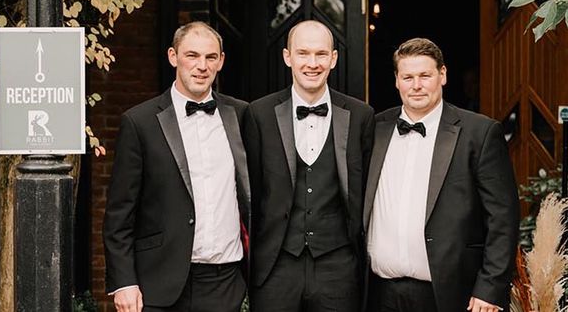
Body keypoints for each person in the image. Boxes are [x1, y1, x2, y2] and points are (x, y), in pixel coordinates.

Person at [103, 21, 251, 312]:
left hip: (225, 281)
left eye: (210, 57)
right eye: (192, 56)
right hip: (158, 282)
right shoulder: (140, 122)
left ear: (221, 61)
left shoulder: (242, 116)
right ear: (173, 57)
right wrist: (124, 282)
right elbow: (120, 211)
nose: (201, 66)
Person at [364, 37, 519, 312]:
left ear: (443, 75)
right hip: (378, 293)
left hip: (448, 295)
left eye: (425, 75)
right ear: (396, 80)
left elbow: (502, 218)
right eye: (407, 77)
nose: (416, 85)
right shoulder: (375, 128)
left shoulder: (479, 133)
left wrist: (490, 288)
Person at [247, 19, 375, 312]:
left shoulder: (361, 116)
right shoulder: (259, 114)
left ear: (333, 59)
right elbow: (250, 191)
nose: (312, 63)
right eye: (303, 53)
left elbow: (369, 190)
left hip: (339, 268)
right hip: (276, 267)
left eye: (320, 54)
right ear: (287, 57)